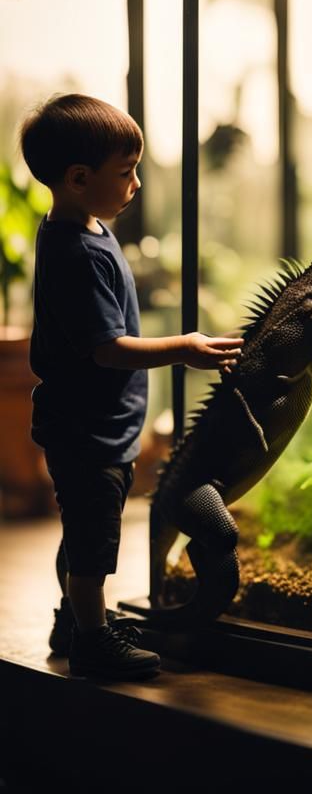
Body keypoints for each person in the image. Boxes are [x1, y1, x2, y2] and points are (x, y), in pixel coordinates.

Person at [19, 94, 244, 680]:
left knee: (83, 531)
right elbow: (108, 348)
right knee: (94, 543)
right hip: (88, 432)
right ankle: (93, 641)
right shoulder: (76, 251)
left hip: (96, 426)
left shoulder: (82, 227)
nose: (137, 184)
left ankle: (72, 620)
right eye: (126, 173)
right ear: (77, 178)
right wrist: (185, 348)